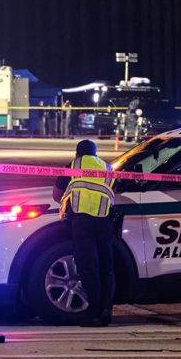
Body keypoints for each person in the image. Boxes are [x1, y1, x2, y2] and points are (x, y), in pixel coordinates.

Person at [54, 138, 117, 327]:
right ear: (95, 153)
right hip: (104, 221)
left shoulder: (73, 165)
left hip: (82, 222)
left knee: (88, 268)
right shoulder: (108, 168)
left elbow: (57, 195)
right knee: (107, 267)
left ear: (77, 154)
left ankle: (93, 313)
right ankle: (106, 310)